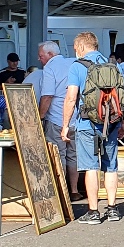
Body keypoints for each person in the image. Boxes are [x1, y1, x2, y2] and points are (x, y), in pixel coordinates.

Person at [61, 32, 124, 225]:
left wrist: (65, 126)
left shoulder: (77, 66)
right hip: (111, 122)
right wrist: (123, 123)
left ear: (81, 47)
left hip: (86, 123)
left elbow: (71, 98)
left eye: (75, 48)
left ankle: (93, 211)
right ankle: (113, 209)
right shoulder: (113, 65)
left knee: (90, 167)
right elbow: (122, 96)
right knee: (110, 166)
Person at [37, 41, 77, 199]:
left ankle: (62, 193)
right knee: (73, 156)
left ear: (50, 55)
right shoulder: (73, 63)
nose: (39, 59)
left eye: (41, 56)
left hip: (57, 119)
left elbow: (47, 96)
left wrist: (40, 117)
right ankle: (74, 190)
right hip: (76, 118)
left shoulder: (50, 68)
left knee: (58, 155)